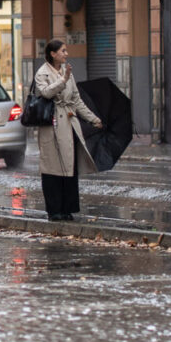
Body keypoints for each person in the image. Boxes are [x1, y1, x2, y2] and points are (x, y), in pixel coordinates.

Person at [34, 39, 103, 221]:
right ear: (53, 54)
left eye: (66, 51)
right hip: (52, 125)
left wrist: (93, 119)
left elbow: (77, 100)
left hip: (70, 123)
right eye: (63, 51)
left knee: (69, 167)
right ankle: (54, 210)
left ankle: (67, 208)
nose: (66, 54)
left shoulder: (67, 71)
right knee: (52, 168)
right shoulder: (42, 73)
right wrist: (63, 80)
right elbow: (45, 92)